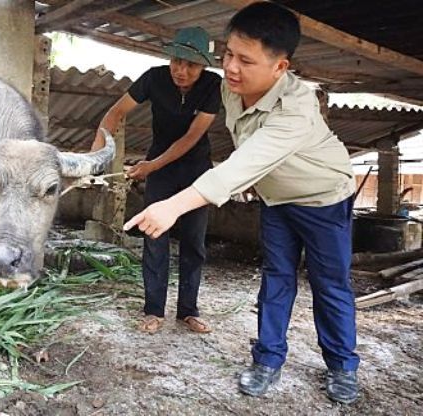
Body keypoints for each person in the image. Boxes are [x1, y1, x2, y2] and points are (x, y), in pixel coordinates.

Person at [124, 2, 360, 405]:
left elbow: (242, 164)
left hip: (323, 200)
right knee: (276, 279)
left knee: (330, 284)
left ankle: (342, 367)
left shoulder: (297, 108)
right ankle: (267, 360)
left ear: (280, 68)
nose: (231, 67)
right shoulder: (230, 91)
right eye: (229, 54)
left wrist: (172, 205)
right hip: (275, 199)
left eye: (245, 60)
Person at [90, 27, 221, 334]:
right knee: (154, 238)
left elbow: (191, 137)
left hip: (195, 172)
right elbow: (115, 112)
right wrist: (95, 154)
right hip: (161, 171)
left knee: (193, 242)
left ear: (203, 66)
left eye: (191, 65)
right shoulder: (154, 78)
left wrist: (149, 166)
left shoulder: (213, 85)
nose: (181, 70)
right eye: (177, 60)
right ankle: (153, 311)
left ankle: (188, 311)